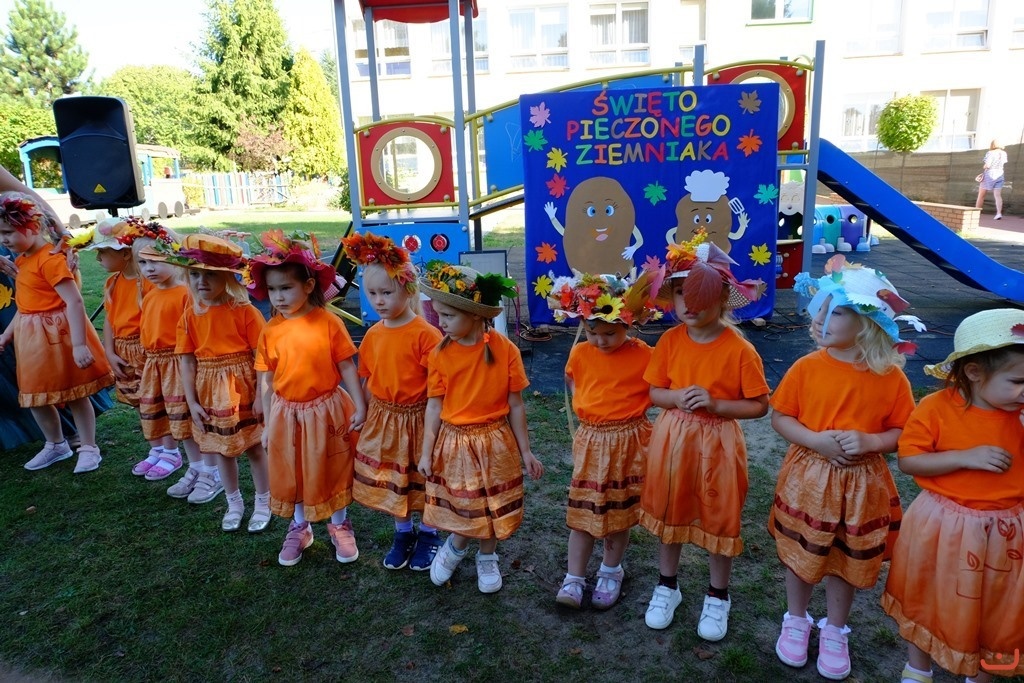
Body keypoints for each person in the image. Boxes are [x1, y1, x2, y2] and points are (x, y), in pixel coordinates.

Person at [769, 255, 922, 681]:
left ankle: (835, 628)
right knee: (803, 552)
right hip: (809, 478)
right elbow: (781, 417)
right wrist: (816, 440)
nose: (821, 317)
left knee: (845, 557)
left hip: (861, 485)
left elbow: (903, 430)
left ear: (868, 323)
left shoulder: (890, 378)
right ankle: (796, 617)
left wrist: (873, 441)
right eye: (820, 307)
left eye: (836, 310)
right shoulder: (806, 368)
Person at [882, 308, 1024, 683]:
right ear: (974, 372)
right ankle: (918, 666)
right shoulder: (937, 408)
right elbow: (909, 460)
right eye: (1018, 381)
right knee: (928, 593)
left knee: (997, 602)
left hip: (1006, 532)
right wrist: (964, 457)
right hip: (943, 524)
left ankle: (982, 672)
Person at [640, 231, 769, 640]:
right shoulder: (669, 341)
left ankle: (718, 594)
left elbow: (759, 405)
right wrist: (676, 397)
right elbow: (655, 393)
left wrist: (716, 404)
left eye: (700, 293)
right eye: (680, 292)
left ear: (722, 297)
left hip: (718, 443)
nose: (689, 303)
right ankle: (667, 585)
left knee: (718, 514)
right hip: (673, 441)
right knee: (670, 508)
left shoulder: (740, 350)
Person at [417, 262, 544, 593]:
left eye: (448, 315)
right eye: (438, 315)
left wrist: (526, 451)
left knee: (492, 502)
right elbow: (434, 406)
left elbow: (516, 405)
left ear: (475, 314)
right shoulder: (440, 355)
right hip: (456, 441)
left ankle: (487, 556)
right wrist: (426, 452)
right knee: (466, 502)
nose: (440, 323)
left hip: (496, 440)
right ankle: (457, 544)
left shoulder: (506, 351)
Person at [249, 230, 367, 566]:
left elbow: (346, 366)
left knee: (333, 464)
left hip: (327, 410)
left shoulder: (328, 323)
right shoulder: (270, 330)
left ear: (308, 285)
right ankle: (300, 526)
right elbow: (267, 379)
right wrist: (268, 424)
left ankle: (339, 523)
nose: (279, 297)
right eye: (273, 290)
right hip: (286, 414)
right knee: (294, 467)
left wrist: (360, 404)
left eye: (286, 288)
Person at [546, 270, 661, 610]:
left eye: (610, 333)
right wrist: (586, 411)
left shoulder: (644, 355)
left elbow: (661, 387)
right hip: (592, 442)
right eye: (592, 332)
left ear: (629, 323)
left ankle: (611, 569)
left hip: (628, 442)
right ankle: (574, 576)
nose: (600, 341)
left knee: (618, 513)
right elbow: (573, 380)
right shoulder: (581, 353)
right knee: (584, 511)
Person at [341, 232, 444, 571]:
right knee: (394, 479)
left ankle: (428, 533)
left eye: (386, 292)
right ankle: (402, 532)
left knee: (422, 477)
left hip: (419, 419)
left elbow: (438, 387)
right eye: (372, 293)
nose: (379, 301)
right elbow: (368, 377)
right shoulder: (373, 334)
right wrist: (363, 410)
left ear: (408, 289)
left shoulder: (426, 335)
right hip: (385, 419)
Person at [0, 192, 114, 472]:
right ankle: (56, 444)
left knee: (76, 393)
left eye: (7, 233)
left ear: (33, 227)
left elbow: (74, 302)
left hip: (59, 336)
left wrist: (79, 344)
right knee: (35, 396)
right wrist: (6, 335)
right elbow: (25, 307)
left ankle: (89, 447)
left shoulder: (50, 260)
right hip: (32, 341)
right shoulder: (23, 261)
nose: (3, 240)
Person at [173, 234, 271, 533]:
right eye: (194, 274)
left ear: (227, 277)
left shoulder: (245, 312)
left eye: (211, 274)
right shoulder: (189, 316)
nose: (201, 281)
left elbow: (262, 358)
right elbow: (187, 361)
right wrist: (191, 402)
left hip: (243, 389)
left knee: (254, 447)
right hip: (209, 393)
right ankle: (234, 502)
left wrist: (261, 396)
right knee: (222, 450)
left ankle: (263, 501)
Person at [125, 221, 211, 499]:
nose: (148, 268)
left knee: (189, 418)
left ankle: (208, 470)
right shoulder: (151, 295)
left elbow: (196, 333)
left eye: (155, 260)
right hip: (158, 365)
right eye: (142, 262)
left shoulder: (186, 293)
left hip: (179, 363)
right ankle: (194, 466)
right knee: (176, 421)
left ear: (173, 257)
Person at [83, 218, 162, 461]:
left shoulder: (147, 283)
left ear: (125, 253)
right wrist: (110, 351)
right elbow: (110, 319)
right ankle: (155, 449)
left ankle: (168, 451)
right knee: (139, 401)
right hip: (123, 350)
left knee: (156, 400)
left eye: (103, 252)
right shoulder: (112, 282)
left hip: (145, 349)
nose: (98, 259)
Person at [975, 139, 1008, 220]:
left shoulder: (990, 153)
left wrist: (984, 166)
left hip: (990, 174)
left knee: (981, 195)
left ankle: (976, 214)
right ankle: (999, 213)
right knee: (997, 195)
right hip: (1000, 174)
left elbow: (987, 165)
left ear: (992, 144)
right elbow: (1003, 163)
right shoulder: (1004, 153)